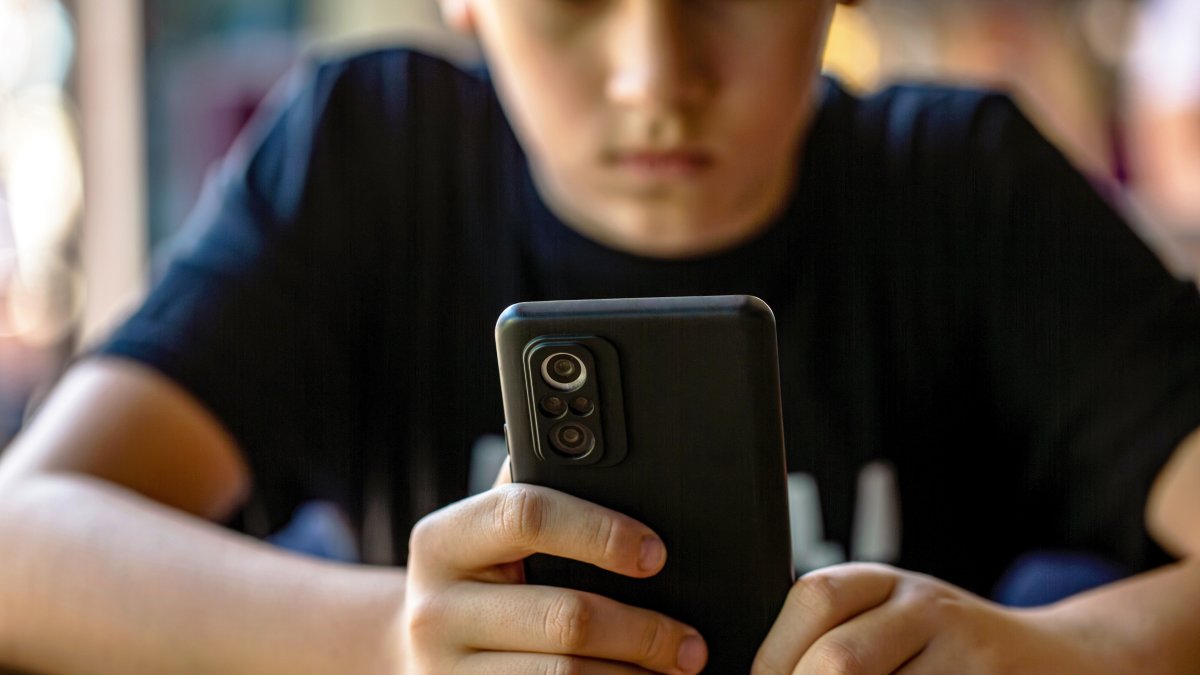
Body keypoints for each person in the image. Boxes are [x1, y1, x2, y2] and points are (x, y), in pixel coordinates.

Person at [2, 0, 1200, 672]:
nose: (654, 75)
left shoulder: (963, 191)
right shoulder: (373, 159)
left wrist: (1067, 659)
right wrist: (393, 644)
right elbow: (23, 544)